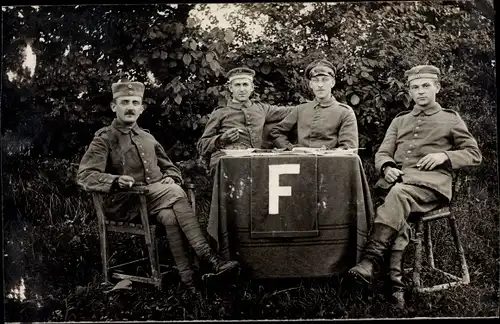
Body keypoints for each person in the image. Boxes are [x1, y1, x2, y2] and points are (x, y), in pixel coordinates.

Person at [77, 78, 239, 292]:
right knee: (174, 192)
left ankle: (189, 281)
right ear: (114, 107)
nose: (130, 107)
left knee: (171, 215)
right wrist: (115, 180)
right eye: (125, 102)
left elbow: (170, 167)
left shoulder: (147, 138)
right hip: (125, 204)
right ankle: (210, 259)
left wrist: (172, 176)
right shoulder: (104, 139)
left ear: (141, 109)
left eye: (135, 103)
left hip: (154, 202)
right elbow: (85, 175)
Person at [348, 65, 482, 307]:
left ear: (437, 88)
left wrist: (444, 156)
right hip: (400, 186)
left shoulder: (450, 119)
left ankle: (370, 261)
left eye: (426, 86)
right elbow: (383, 152)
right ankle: (395, 287)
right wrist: (387, 167)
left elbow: (474, 154)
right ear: (409, 91)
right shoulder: (400, 120)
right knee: (397, 203)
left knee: (397, 196)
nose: (420, 92)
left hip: (431, 187)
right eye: (414, 87)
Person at [197, 67, 293, 176]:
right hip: (226, 160)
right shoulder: (220, 113)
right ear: (230, 88)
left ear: (252, 87)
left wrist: (314, 105)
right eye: (237, 85)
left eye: (245, 84)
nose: (242, 89)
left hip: (255, 160)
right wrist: (221, 139)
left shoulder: (261, 108)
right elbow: (202, 145)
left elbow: (292, 111)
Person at [269, 58, 358, 150]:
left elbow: (348, 148)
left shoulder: (344, 112)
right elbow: (276, 132)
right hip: (302, 161)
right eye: (315, 80)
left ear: (332, 83)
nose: (320, 85)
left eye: (325, 80)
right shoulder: (300, 110)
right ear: (311, 84)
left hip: (332, 163)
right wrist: (291, 149)